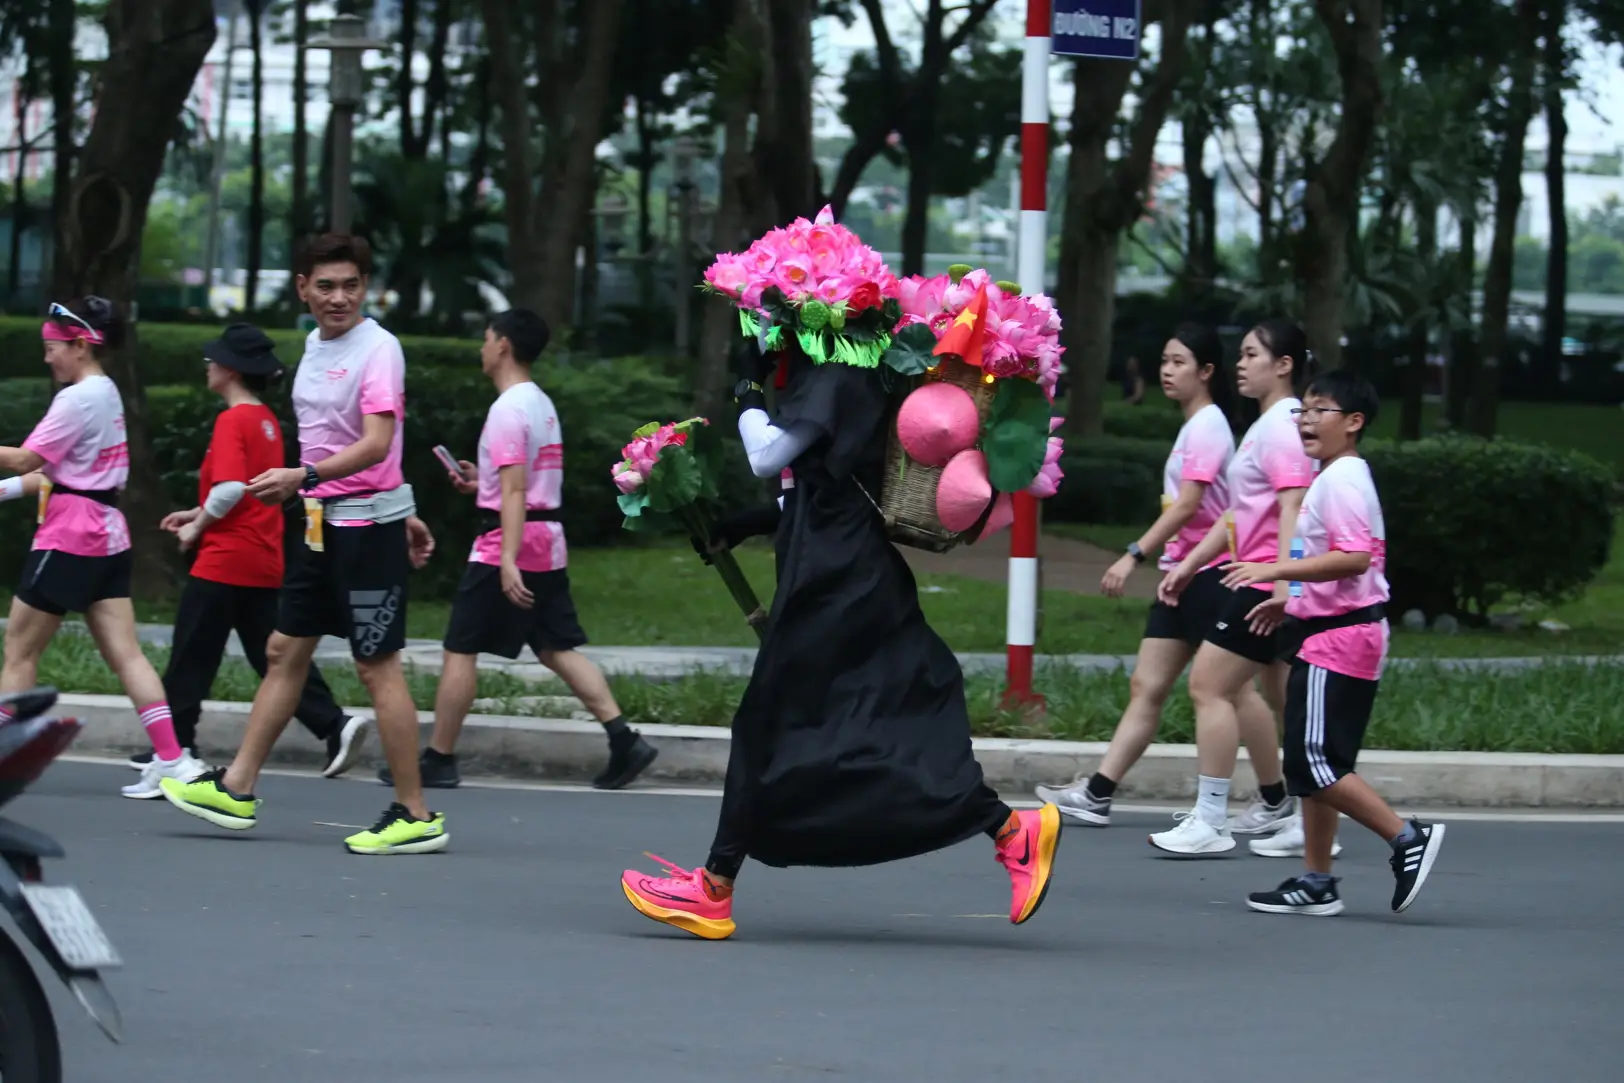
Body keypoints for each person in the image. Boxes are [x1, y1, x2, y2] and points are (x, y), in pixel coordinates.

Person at [618, 335, 1063, 941]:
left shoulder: (837, 374)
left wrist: (746, 394)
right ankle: (1012, 832)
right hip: (840, 573)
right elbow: (820, 485)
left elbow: (769, 458)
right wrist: (741, 526)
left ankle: (714, 889)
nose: (757, 333)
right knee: (851, 728)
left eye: (762, 319)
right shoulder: (833, 375)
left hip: (836, 583)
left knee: (768, 724)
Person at [160, 233, 444, 856]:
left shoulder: (380, 350)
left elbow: (375, 444)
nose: (338, 298)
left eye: (350, 285)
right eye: (325, 286)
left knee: (377, 666)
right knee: (284, 649)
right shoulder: (315, 346)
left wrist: (307, 479)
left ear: (365, 287)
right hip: (322, 525)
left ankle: (415, 812)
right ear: (302, 288)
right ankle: (235, 789)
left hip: (366, 529)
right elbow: (352, 446)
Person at [378, 307, 658, 791]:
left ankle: (439, 758)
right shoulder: (540, 404)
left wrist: (506, 558)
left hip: (507, 544)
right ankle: (624, 740)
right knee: (555, 646)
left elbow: (513, 493)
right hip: (547, 541)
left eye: (486, 338)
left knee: (460, 649)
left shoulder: (507, 409)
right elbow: (520, 481)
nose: (482, 348)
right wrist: (478, 481)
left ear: (503, 345)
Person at [1221, 370, 1445, 915]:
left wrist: (1272, 568)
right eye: (1303, 411)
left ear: (1353, 422)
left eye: (1320, 411)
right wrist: (1289, 600)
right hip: (1337, 631)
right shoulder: (1339, 475)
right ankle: (1317, 881)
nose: (1306, 421)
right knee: (1320, 764)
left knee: (1315, 764)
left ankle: (1406, 838)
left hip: (1338, 641)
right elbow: (1347, 566)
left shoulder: (1341, 478)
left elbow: (1354, 557)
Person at [1035, 324, 1271, 826]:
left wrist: (1133, 554)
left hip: (1209, 574)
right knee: (1148, 685)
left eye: (1179, 362)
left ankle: (1275, 799)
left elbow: (1188, 506)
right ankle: (1098, 793)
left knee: (1234, 692)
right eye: (1164, 361)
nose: (1167, 371)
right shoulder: (1194, 426)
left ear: (1206, 372)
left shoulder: (1209, 425)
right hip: (1179, 577)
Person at [137, 324, 369, 789]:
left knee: (191, 655)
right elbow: (243, 490)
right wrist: (198, 511)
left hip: (224, 559)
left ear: (229, 369)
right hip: (262, 556)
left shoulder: (231, 420)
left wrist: (199, 526)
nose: (207, 367)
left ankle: (176, 750)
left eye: (212, 361)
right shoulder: (264, 421)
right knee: (274, 659)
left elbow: (228, 488)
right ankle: (334, 724)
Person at [0, 297, 204, 797]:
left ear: (80, 344)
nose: (48, 358)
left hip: (69, 535)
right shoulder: (107, 392)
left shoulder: (76, 399)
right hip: (107, 535)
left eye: (53, 348)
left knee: (20, 650)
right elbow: (58, 473)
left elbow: (28, 460)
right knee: (128, 655)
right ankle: (174, 760)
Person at [1148, 319, 1314, 856]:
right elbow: (1237, 516)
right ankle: (1297, 819)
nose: (1241, 364)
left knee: (1210, 687)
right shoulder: (1264, 426)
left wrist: (1284, 580)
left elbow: (1294, 504)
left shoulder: (1285, 423)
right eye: (1240, 355)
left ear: (1283, 365)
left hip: (1263, 579)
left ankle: (1212, 821)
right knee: (1282, 699)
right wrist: (1191, 563)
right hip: (1254, 574)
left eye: (1251, 354)